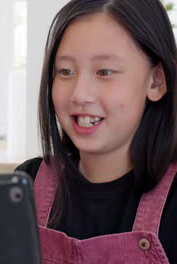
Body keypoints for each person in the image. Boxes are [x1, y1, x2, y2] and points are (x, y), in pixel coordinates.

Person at [16, 0, 177, 262]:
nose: (80, 94)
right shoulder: (26, 183)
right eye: (65, 71)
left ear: (157, 80)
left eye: (104, 72)